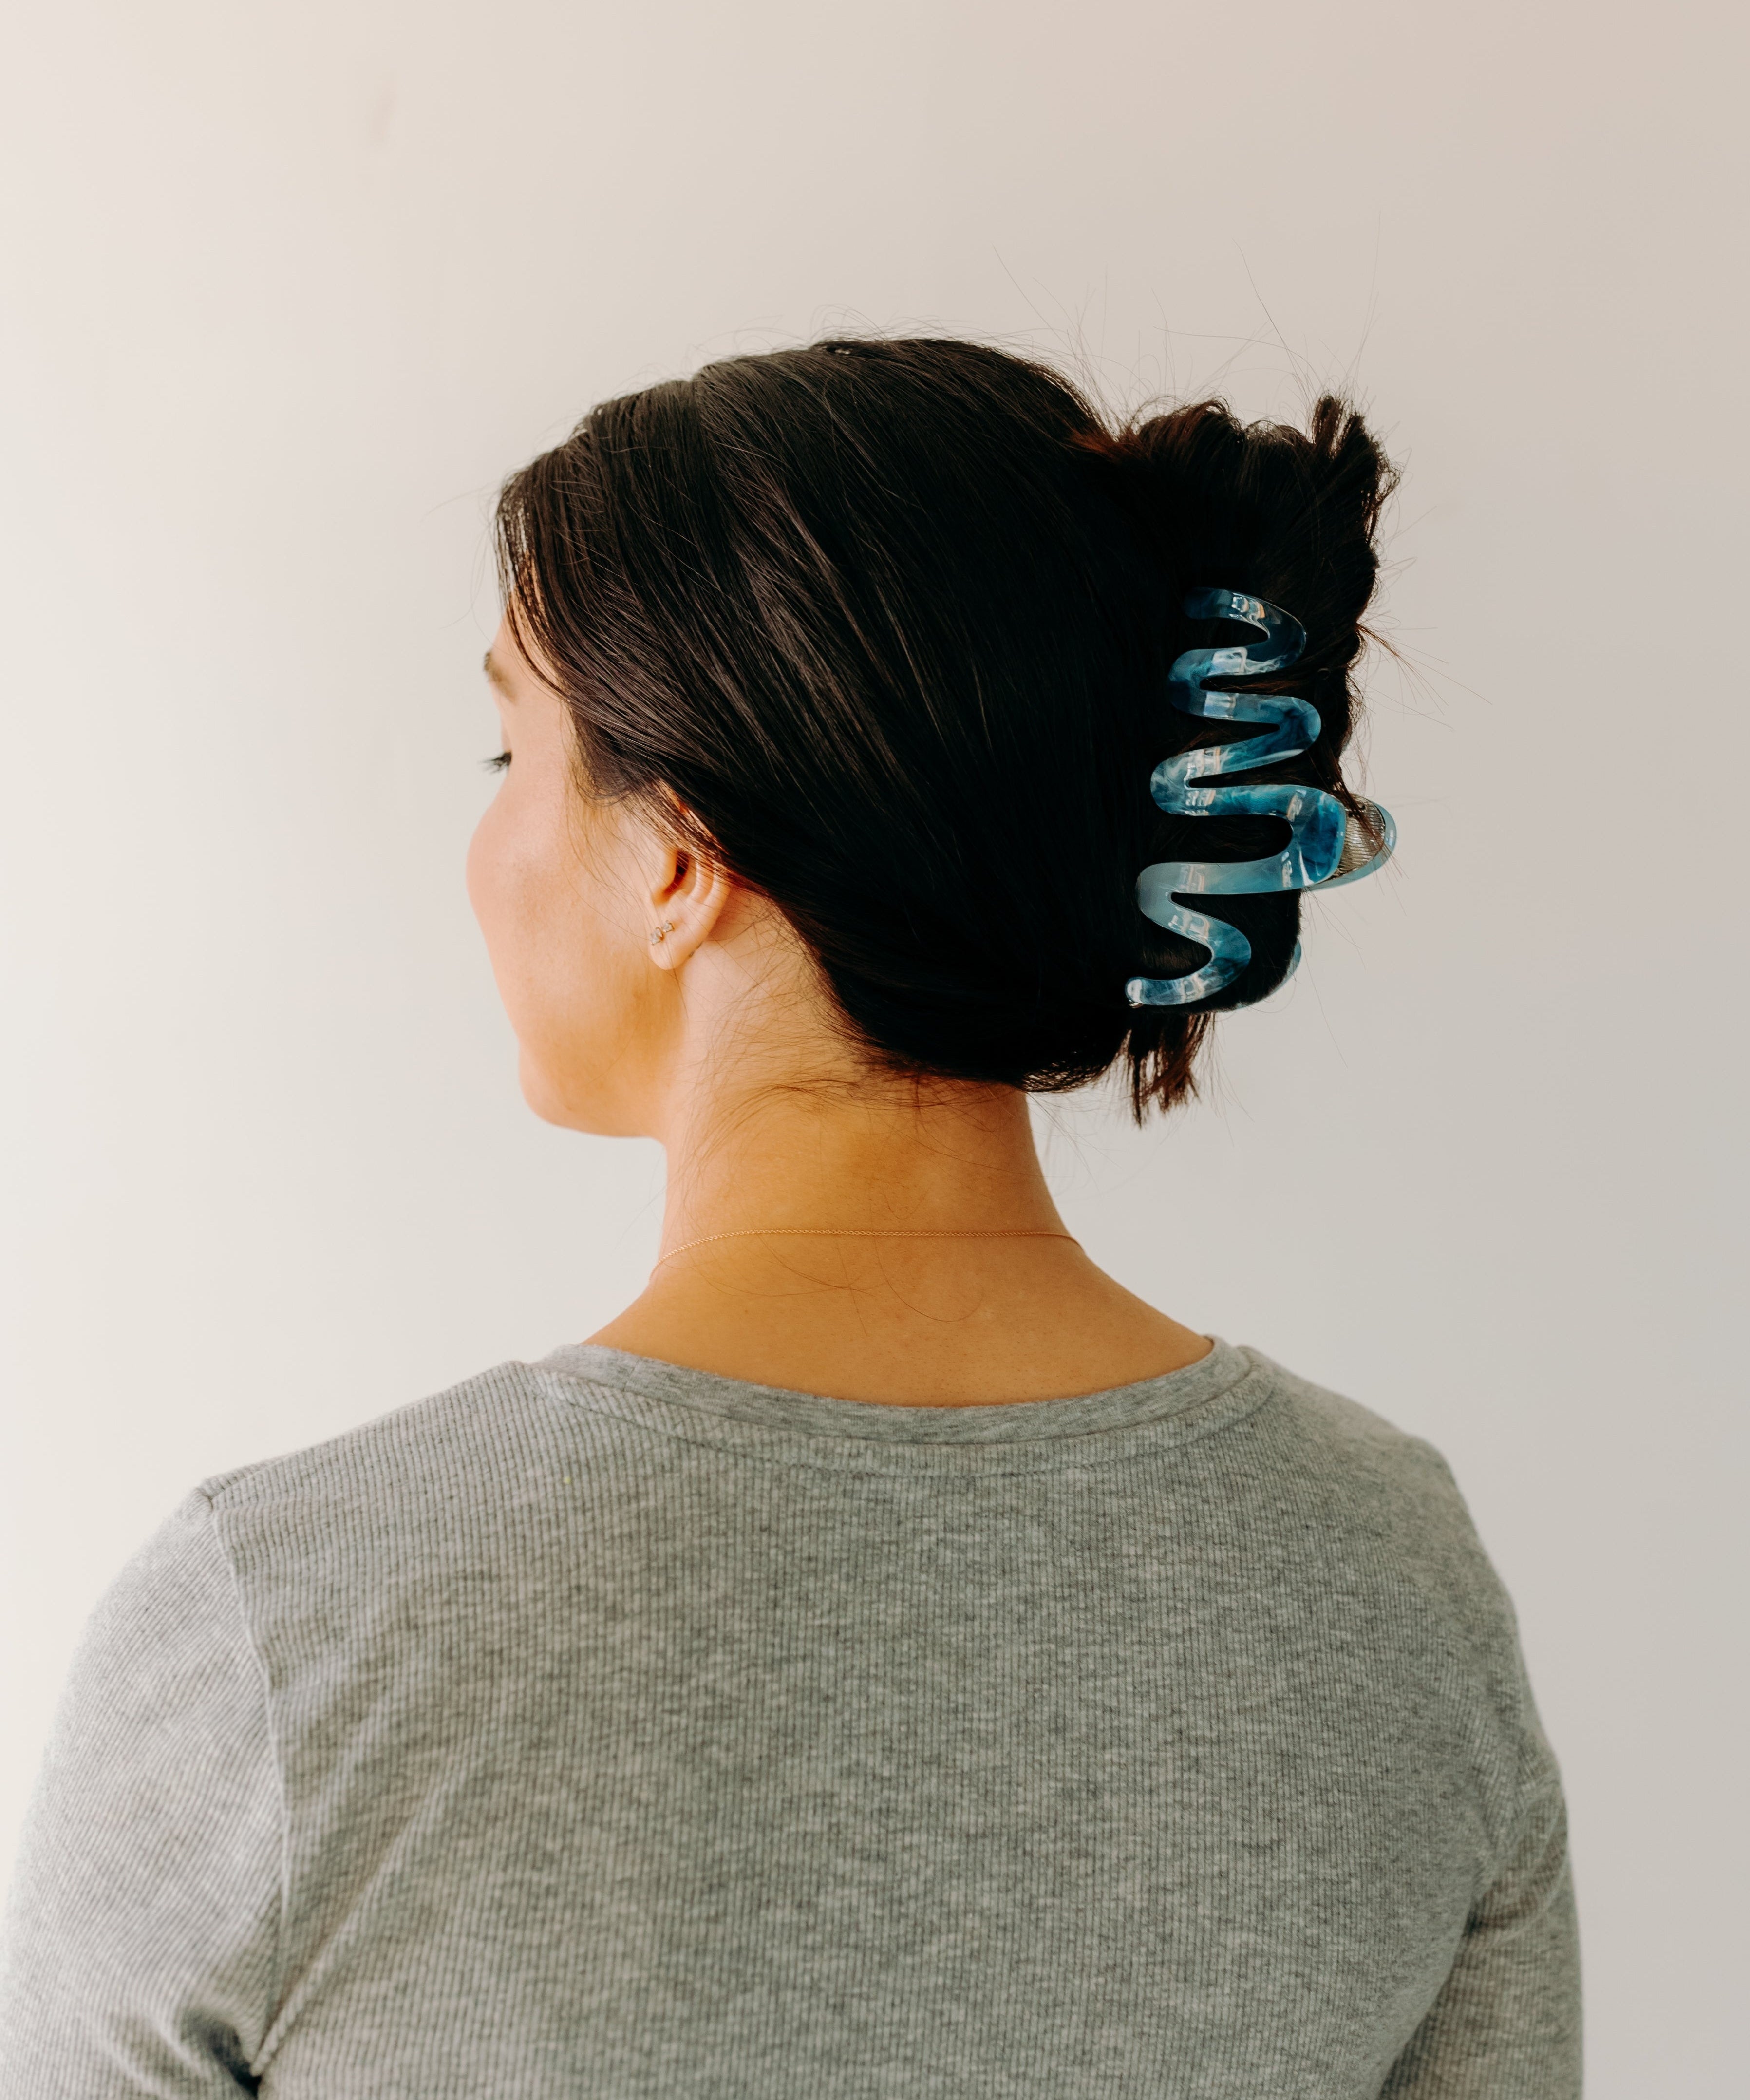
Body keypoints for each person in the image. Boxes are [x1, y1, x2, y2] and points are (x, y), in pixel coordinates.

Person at [0, 338, 1580, 2096]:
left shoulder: (279, 1634)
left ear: (676, 856)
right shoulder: (1388, 1580)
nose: (485, 841)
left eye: (506, 747)